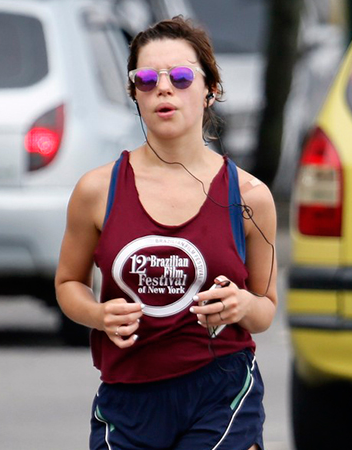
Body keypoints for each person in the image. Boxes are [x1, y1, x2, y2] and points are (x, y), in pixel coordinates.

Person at [54, 16, 277, 450]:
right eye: (145, 79)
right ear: (133, 92)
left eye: (180, 76)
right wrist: (98, 316)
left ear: (211, 89)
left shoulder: (250, 196)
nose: (163, 88)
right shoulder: (97, 190)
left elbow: (265, 309)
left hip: (221, 390)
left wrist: (241, 303)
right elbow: (68, 283)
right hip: (128, 395)